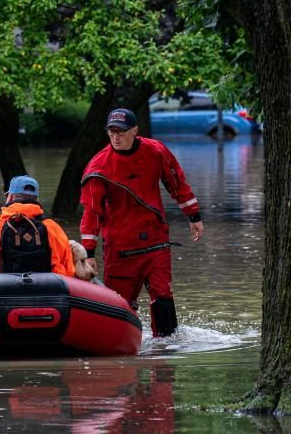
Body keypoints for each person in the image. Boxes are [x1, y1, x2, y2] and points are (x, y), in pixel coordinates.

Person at [80, 107, 204, 337]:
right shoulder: (98, 168)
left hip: (156, 241)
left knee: (163, 294)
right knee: (119, 302)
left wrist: (193, 216)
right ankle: (123, 354)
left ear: (135, 131)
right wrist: (88, 253)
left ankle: (166, 352)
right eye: (112, 131)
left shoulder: (156, 152)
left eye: (122, 131)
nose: (116, 137)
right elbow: (91, 213)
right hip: (120, 248)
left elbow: (176, 183)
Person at [0, 175, 75, 276]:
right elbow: (69, 267)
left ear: (10, 197)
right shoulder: (52, 227)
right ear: (36, 200)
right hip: (47, 287)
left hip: (0, 287)